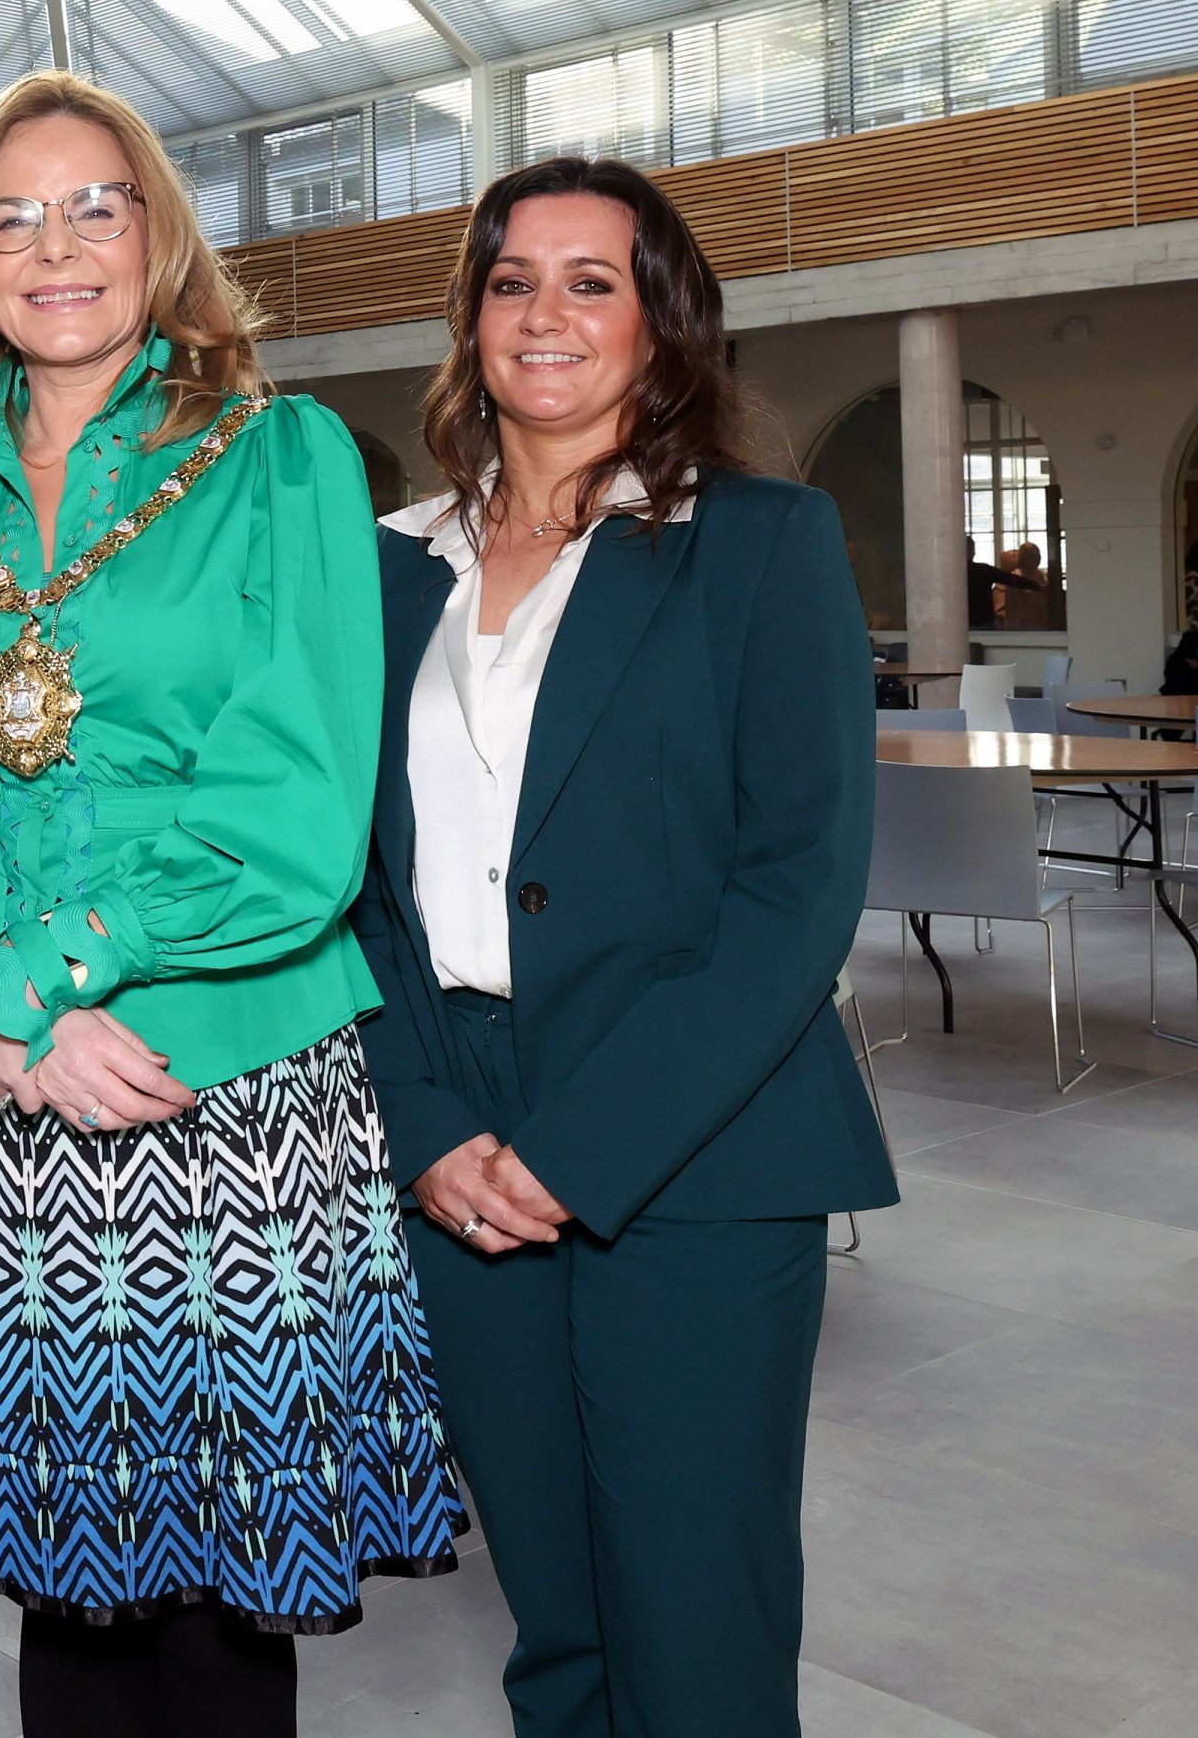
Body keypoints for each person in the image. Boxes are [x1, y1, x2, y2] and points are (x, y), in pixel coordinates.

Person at [0, 71, 465, 1738]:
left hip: (216, 1082)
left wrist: (30, 981)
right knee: (65, 1591)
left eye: (95, 205)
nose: (56, 246)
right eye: (11, 215)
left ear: (161, 233)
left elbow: (296, 816)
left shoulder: (282, 456)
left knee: (221, 1613)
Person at [351, 156, 895, 1738]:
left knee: (695, 1627)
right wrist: (430, 1125)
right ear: (470, 318)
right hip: (460, 1124)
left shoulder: (762, 545)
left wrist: (582, 1147)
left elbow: (798, 892)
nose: (546, 312)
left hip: (693, 1139)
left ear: (661, 327)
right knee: (559, 1626)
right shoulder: (396, 565)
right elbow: (354, 888)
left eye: (593, 282)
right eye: (513, 279)